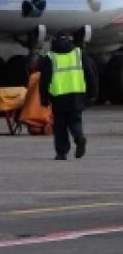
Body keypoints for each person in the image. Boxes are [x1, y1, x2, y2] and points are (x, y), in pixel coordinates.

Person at [40, 31, 98, 160]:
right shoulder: (78, 54)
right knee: (75, 120)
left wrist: (43, 98)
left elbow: (44, 80)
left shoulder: (51, 57)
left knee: (60, 126)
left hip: (58, 97)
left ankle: (62, 152)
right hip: (77, 96)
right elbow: (90, 74)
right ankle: (78, 137)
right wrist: (93, 94)